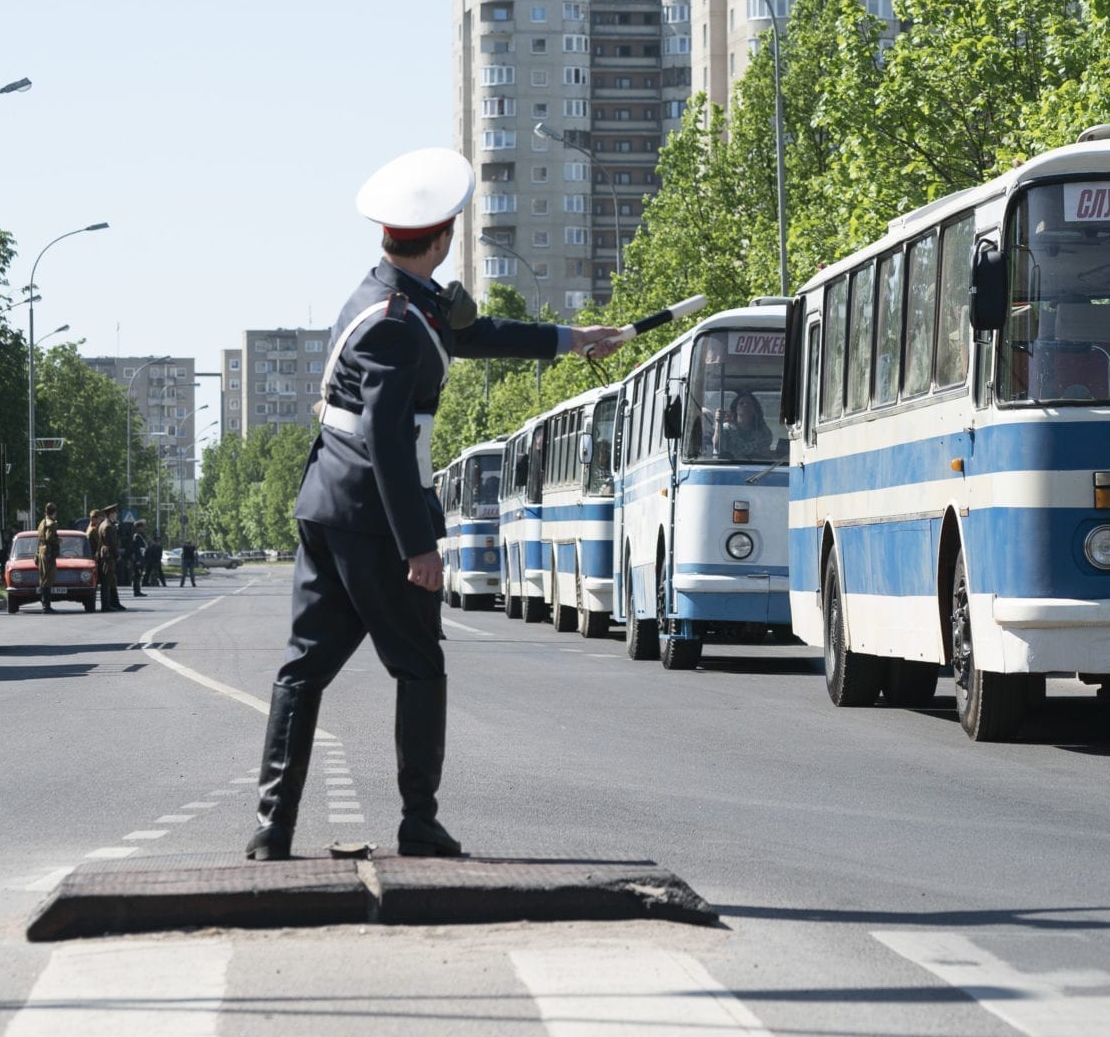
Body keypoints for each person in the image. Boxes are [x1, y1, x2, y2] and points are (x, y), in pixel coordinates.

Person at [244, 147, 623, 863]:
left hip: (327, 505)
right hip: (370, 514)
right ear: (443, 234)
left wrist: (572, 341)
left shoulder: (386, 294)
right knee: (420, 666)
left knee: (304, 668)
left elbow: (470, 334)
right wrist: (417, 545)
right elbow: (387, 440)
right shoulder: (393, 319)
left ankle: (272, 831)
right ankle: (419, 822)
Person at [715, 390, 774, 459]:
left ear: (754, 409)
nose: (745, 405)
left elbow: (765, 455)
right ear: (736, 408)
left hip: (757, 467)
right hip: (731, 467)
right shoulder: (727, 428)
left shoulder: (763, 431)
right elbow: (717, 446)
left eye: (749, 403)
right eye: (741, 403)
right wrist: (718, 423)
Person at [35, 503, 60, 614]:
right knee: (48, 580)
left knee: (43, 579)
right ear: (54, 512)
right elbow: (49, 538)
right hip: (48, 553)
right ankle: (46, 606)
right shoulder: (52, 524)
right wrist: (57, 540)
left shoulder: (42, 522)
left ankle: (45, 604)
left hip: (41, 551)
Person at [129, 520, 148, 597]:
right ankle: (136, 591)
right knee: (137, 575)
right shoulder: (137, 536)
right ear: (138, 527)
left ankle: (138, 590)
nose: (144, 528)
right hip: (138, 559)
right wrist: (138, 560)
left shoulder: (140, 536)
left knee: (139, 575)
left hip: (141, 558)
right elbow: (137, 549)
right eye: (142, 526)